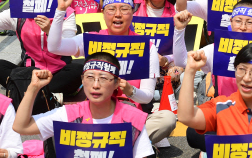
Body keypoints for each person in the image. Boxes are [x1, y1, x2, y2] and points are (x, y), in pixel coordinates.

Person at [47, 0, 180, 147]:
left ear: (132, 12)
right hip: (94, 114)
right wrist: (61, 10)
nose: (117, 14)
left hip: (129, 116)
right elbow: (54, 47)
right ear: (103, 13)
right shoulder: (89, 39)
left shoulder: (147, 47)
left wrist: (130, 90)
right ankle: (131, 144)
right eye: (111, 9)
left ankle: (116, 144)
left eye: (124, 9)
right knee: (54, 126)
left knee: (167, 119)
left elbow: (147, 96)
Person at [12, 53, 154, 158]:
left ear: (116, 83)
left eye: (103, 79)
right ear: (82, 80)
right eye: (90, 77)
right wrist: (33, 88)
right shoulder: (68, 114)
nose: (96, 85)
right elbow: (21, 127)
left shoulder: (133, 117)